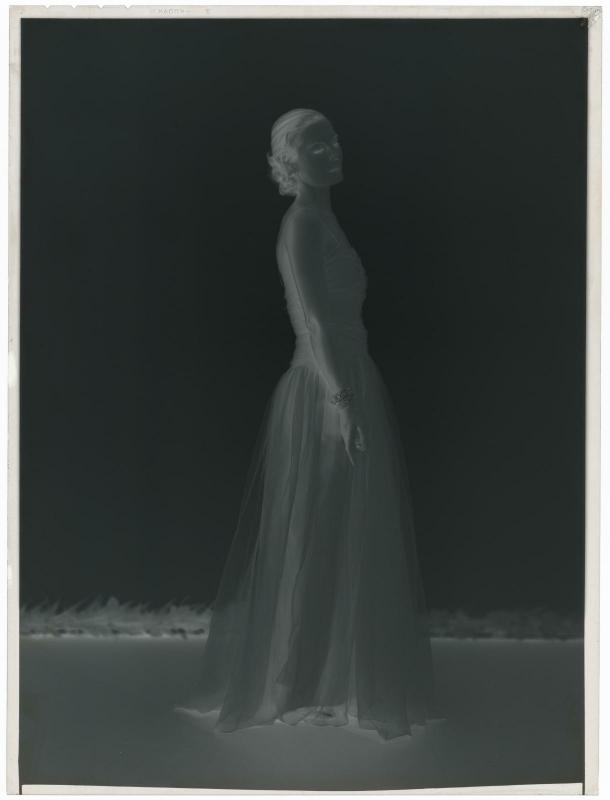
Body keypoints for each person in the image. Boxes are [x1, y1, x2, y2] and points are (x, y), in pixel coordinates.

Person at [175, 108, 439, 741]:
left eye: (334, 141)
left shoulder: (324, 219)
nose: (334, 152)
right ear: (291, 162)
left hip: (349, 376)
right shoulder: (300, 223)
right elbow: (317, 322)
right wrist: (343, 401)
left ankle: (331, 680)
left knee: (341, 528)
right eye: (318, 147)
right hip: (325, 386)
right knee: (314, 531)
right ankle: (297, 682)